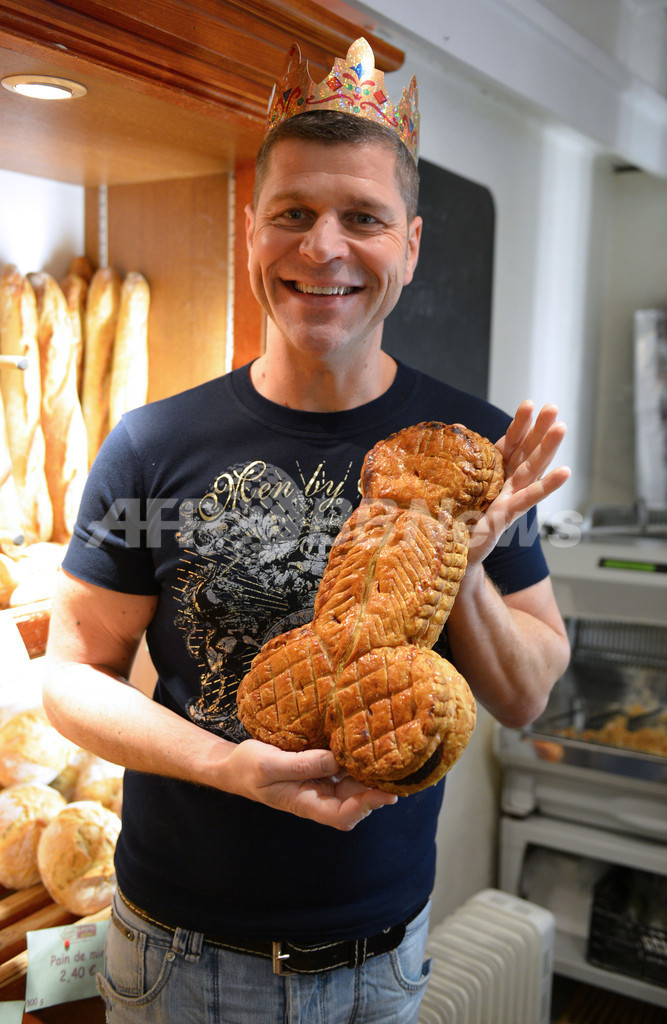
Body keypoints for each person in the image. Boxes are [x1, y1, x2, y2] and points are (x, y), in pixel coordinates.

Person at [43, 36, 570, 1024]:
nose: (322, 248)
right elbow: (71, 679)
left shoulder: (465, 449)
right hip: (179, 957)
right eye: (292, 213)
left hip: (383, 958)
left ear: (410, 245)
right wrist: (224, 764)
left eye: (362, 217)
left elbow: (525, 693)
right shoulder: (151, 443)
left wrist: (454, 562)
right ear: (253, 230)